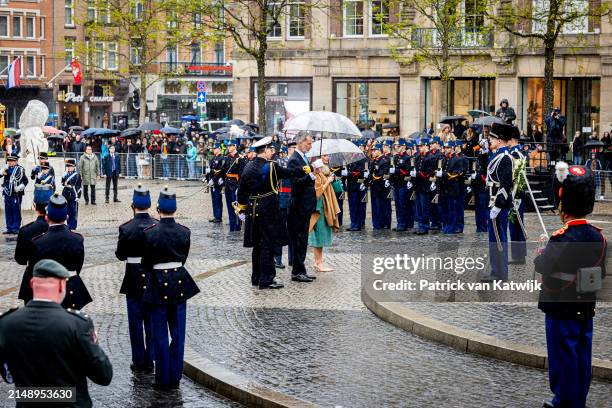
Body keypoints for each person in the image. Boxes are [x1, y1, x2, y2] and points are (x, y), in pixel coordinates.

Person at [536, 162, 607, 408]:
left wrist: (543, 249)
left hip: (560, 306)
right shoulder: (598, 235)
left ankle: (565, 401)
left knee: (563, 357)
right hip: (585, 305)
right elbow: (601, 272)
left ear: (564, 204)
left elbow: (542, 266)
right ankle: (577, 399)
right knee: (581, 356)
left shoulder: (561, 237)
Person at [0, 259, 113, 407]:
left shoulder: (6, 323)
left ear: (32, 284)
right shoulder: (77, 324)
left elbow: (8, 376)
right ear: (61, 285)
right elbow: (103, 375)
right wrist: (93, 343)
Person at [141, 187, 200, 390]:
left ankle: (162, 377)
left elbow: (146, 262)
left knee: (159, 332)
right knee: (178, 333)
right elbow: (183, 257)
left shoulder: (149, 233)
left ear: (158, 209)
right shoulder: (184, 231)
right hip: (179, 283)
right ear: (175, 209)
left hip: (157, 283)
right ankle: (175, 376)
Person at [235, 136, 301, 288]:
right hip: (267, 209)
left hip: (252, 208)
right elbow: (289, 173)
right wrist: (307, 168)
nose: (272, 152)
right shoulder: (271, 167)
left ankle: (256, 277)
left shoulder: (248, 166)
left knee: (257, 245)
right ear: (264, 151)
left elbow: (241, 191)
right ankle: (266, 279)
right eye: (271, 149)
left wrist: (242, 209)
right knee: (267, 244)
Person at [115, 185, 158, 372]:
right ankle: (150, 358)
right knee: (151, 320)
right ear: (149, 204)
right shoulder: (156, 225)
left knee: (135, 322)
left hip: (133, 276)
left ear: (133, 205)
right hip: (152, 276)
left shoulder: (126, 228)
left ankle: (138, 360)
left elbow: (120, 255)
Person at [31, 193, 92, 310]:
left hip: (48, 290)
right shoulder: (77, 239)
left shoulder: (38, 242)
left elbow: (36, 269)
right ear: (67, 217)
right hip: (71, 289)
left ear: (46, 218)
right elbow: (78, 266)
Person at [481, 122, 516, 282]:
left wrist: (498, 205)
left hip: (498, 203)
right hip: (492, 201)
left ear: (500, 140)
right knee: (493, 238)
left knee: (498, 237)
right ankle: (496, 270)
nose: (490, 140)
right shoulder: (497, 155)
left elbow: (505, 185)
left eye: (492, 138)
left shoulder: (506, 158)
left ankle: (500, 272)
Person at [287, 133, 317, 283]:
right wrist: (310, 176)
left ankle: (301, 269)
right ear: (300, 142)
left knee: (303, 239)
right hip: (298, 206)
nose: (310, 146)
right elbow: (295, 182)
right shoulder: (294, 159)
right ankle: (297, 271)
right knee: (299, 239)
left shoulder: (303, 158)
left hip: (305, 205)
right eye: (308, 144)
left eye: (311, 144)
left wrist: (312, 169)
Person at [15, 184, 52, 305]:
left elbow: (20, 259)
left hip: (32, 279)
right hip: (55, 282)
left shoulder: (26, 230)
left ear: (34, 206)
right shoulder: (59, 230)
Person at [308, 159, 340, 272]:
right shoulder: (314, 176)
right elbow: (318, 192)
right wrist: (327, 182)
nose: (321, 169)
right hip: (318, 209)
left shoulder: (320, 174)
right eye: (319, 167)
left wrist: (330, 178)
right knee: (318, 237)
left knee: (320, 237)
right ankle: (318, 262)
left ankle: (318, 262)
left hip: (322, 208)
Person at [274, 141, 295, 268]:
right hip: (282, 198)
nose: (294, 150)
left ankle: (292, 259)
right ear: (289, 149)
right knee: (280, 230)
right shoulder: (280, 162)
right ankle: (278, 258)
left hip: (293, 199)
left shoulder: (298, 163)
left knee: (293, 230)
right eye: (293, 148)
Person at [508, 131, 527, 264]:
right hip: (517, 192)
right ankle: (518, 255)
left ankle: (519, 256)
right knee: (516, 224)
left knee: (516, 224)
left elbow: (515, 176)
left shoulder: (516, 154)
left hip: (516, 193)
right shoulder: (519, 152)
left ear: (512, 140)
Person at [411, 137, 434, 235]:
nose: (419, 148)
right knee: (419, 207)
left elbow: (428, 173)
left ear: (425, 146)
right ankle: (420, 225)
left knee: (424, 207)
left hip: (425, 185)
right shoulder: (419, 157)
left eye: (421, 146)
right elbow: (415, 167)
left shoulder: (430, 157)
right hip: (418, 185)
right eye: (418, 146)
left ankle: (424, 226)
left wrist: (417, 174)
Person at [1, 154, 28, 235]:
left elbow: (25, 180)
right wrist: (2, 171)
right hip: (7, 192)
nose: (10, 162)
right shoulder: (6, 168)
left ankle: (15, 227)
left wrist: (20, 187)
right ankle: (9, 227)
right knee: (8, 211)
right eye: (9, 161)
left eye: (12, 161)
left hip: (16, 193)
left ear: (16, 161)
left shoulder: (20, 169)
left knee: (16, 210)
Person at [390, 139, 413, 232]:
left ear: (403, 146)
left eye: (398, 146)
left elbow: (407, 171)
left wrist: (397, 171)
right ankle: (400, 222)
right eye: (395, 146)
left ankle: (404, 223)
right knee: (397, 205)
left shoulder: (407, 158)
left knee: (403, 204)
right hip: (396, 183)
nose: (396, 147)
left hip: (403, 183)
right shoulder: (395, 157)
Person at [369, 142, 392, 230]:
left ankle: (385, 223)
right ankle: (376, 224)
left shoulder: (384, 161)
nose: (373, 152)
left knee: (383, 206)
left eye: (374, 151)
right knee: (375, 207)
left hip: (382, 187)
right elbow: (371, 173)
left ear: (379, 151)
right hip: (374, 187)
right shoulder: (374, 161)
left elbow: (380, 174)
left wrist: (373, 175)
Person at [346, 140, 368, 231]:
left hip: (357, 185)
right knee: (352, 206)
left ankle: (357, 224)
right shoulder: (350, 157)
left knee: (357, 205)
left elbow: (359, 172)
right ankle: (353, 223)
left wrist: (348, 173)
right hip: (351, 185)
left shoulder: (362, 158)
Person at [223, 140, 244, 232]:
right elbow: (223, 171)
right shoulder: (227, 157)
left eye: (230, 146)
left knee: (236, 206)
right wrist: (213, 179)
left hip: (235, 185)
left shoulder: (240, 158)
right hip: (228, 184)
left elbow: (242, 174)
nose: (228, 147)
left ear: (235, 146)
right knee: (229, 205)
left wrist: (239, 187)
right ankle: (232, 224)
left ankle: (237, 225)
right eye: (228, 146)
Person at [61, 158, 82, 230]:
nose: (69, 168)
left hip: (73, 194)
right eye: (68, 166)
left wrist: (78, 196)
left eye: (70, 166)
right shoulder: (65, 174)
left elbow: (79, 186)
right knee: (67, 211)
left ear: (74, 167)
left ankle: (73, 226)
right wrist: (64, 179)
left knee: (73, 211)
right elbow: (62, 183)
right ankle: (68, 225)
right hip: (66, 194)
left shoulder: (77, 175)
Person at [206, 143, 225, 223]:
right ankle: (215, 215)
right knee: (214, 199)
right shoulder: (214, 158)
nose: (213, 150)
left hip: (217, 182)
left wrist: (213, 180)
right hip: (212, 181)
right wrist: (207, 178)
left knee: (218, 199)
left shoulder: (222, 158)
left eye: (214, 148)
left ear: (218, 149)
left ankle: (219, 216)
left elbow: (220, 171)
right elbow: (211, 169)